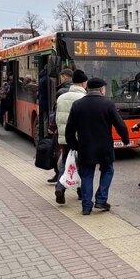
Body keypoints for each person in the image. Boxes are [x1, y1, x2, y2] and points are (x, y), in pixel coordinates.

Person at [65, 77, 129, 215]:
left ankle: (86, 207)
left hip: (85, 147)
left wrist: (75, 145)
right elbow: (120, 125)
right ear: (101, 89)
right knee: (108, 170)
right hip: (104, 147)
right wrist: (125, 139)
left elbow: (69, 130)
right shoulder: (108, 104)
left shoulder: (77, 105)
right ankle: (101, 200)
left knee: (87, 175)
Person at [53, 70, 87, 203]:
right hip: (80, 139)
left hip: (64, 138)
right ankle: (81, 192)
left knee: (66, 164)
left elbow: (56, 118)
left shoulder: (61, 97)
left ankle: (60, 188)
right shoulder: (83, 99)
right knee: (82, 166)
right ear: (84, 83)